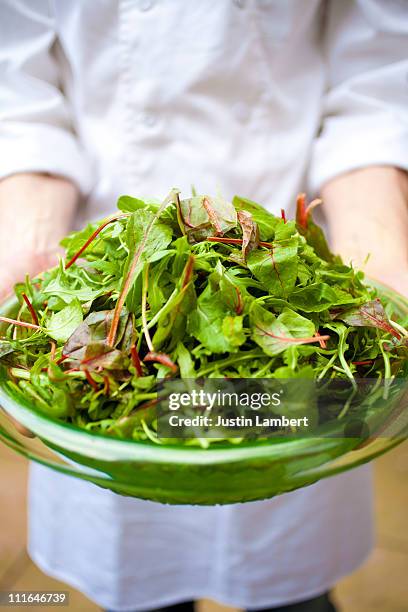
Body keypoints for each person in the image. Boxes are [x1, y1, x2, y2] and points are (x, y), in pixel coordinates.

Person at [1, 1, 407, 611]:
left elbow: (380, 68)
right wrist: (26, 236)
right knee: (139, 570)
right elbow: (15, 73)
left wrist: (380, 242)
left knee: (290, 579)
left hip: (290, 244)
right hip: (96, 273)